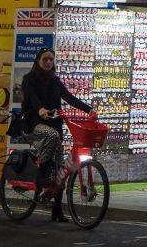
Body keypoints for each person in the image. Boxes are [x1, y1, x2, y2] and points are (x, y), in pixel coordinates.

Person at [21, 48, 93, 222]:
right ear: (38, 60)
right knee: (52, 135)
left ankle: (57, 211)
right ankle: (42, 174)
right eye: (45, 59)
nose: (48, 63)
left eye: (51, 60)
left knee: (61, 169)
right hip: (33, 125)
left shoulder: (55, 80)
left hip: (53, 126)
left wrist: (88, 109)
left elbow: (69, 97)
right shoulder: (29, 79)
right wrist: (41, 110)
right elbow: (32, 98)